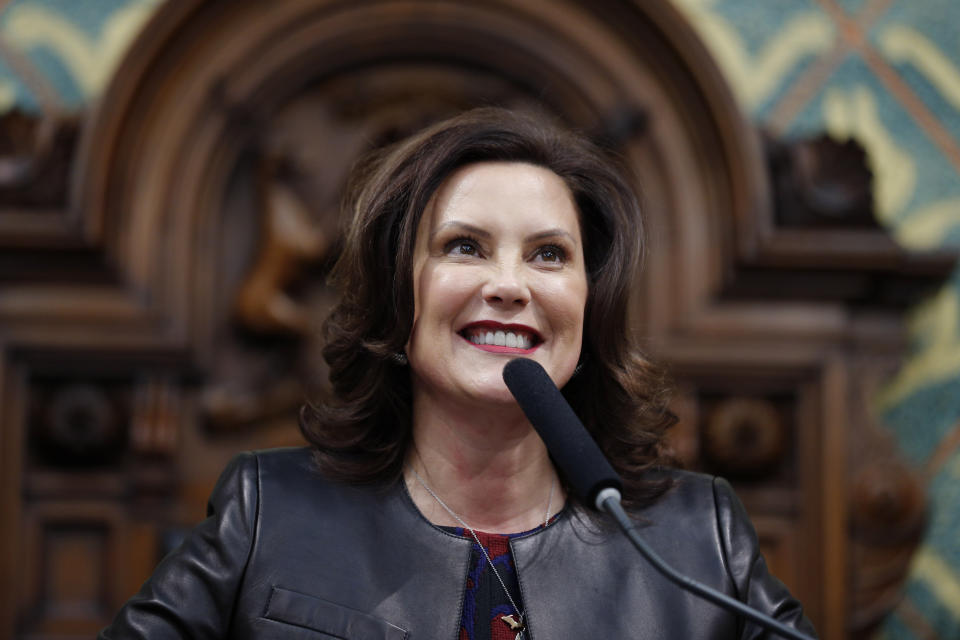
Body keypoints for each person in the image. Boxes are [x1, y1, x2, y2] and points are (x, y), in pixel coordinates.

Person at [100, 108, 816, 639]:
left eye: (548, 255)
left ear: (587, 309)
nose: (510, 285)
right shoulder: (269, 514)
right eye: (465, 246)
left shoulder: (697, 539)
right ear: (395, 301)